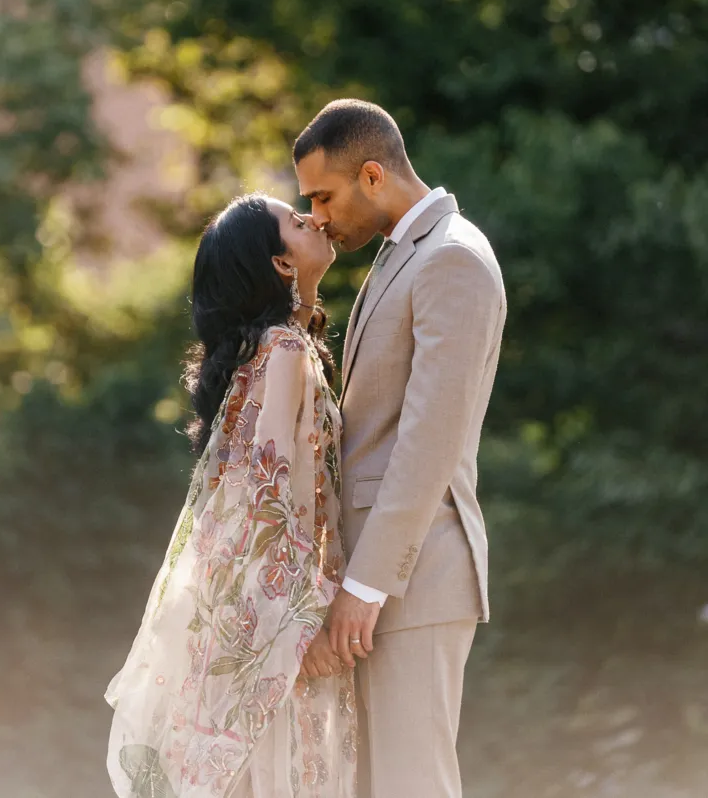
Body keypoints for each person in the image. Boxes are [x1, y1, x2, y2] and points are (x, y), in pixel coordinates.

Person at [104, 194, 357, 798]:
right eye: (297, 222)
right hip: (279, 616)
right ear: (282, 265)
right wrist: (302, 624)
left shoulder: (269, 350)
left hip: (250, 607)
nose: (316, 219)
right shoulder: (285, 353)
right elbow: (267, 494)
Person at [293, 99, 507, 798]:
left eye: (324, 195)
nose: (318, 215)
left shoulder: (453, 260)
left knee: (414, 786)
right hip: (383, 580)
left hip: (413, 580)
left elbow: (427, 445)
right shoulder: (402, 256)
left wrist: (365, 584)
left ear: (374, 175)